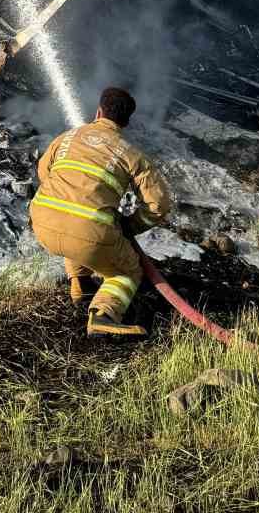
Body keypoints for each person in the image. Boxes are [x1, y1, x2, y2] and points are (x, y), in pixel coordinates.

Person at [29, 86, 174, 337]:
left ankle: (81, 285)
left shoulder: (66, 138)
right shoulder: (132, 154)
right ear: (126, 122)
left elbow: (44, 173)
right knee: (128, 271)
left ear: (98, 112)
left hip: (41, 223)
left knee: (76, 224)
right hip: (89, 236)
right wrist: (131, 225)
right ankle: (104, 315)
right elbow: (159, 205)